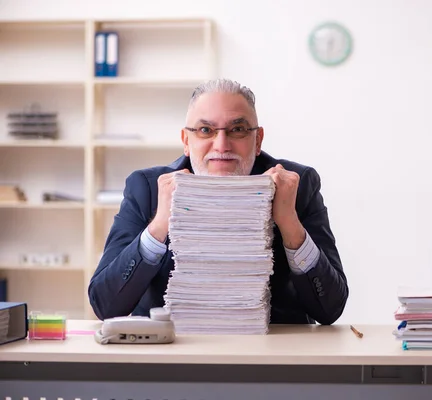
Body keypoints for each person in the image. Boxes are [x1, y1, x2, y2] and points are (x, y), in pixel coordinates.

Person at [88, 78, 349, 325]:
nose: (221, 145)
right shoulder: (147, 188)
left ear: (257, 140)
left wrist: (289, 223)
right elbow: (106, 305)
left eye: (237, 129)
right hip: (174, 352)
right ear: (186, 141)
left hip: (270, 354)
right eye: (205, 130)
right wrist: (159, 226)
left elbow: (330, 309)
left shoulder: (297, 185)